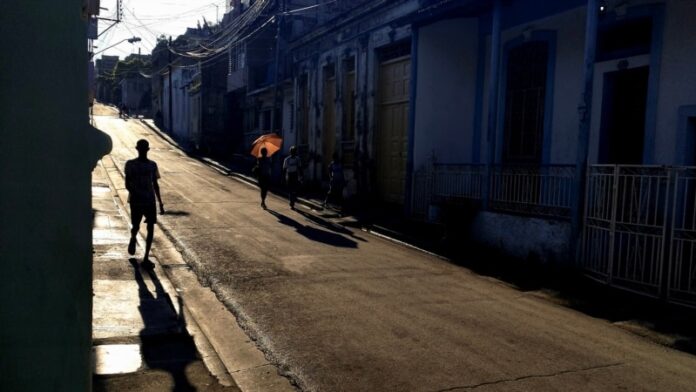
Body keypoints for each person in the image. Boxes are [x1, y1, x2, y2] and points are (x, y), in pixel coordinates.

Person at [125, 139, 165, 268]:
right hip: (145, 200)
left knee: (142, 226)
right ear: (147, 149)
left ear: (138, 149)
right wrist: (160, 202)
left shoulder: (133, 164)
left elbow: (128, 183)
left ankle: (143, 252)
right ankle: (141, 250)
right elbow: (155, 185)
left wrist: (159, 202)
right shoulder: (149, 165)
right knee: (144, 227)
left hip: (142, 200)